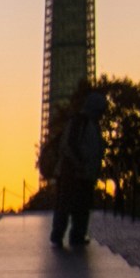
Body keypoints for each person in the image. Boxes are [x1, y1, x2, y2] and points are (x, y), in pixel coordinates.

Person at [51, 89, 107, 247]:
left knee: (81, 208)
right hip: (72, 173)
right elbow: (69, 145)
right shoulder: (80, 122)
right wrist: (80, 163)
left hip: (84, 175)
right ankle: (59, 235)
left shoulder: (92, 124)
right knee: (66, 206)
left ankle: (76, 236)